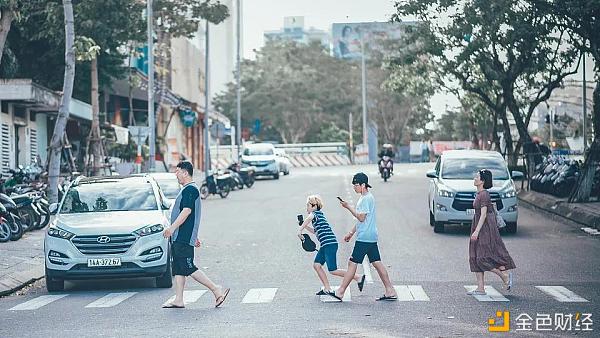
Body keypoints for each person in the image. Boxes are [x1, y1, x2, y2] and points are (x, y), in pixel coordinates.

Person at [162, 160, 230, 308]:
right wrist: (194, 235)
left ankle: (216, 289)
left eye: (178, 171)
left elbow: (187, 212)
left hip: (181, 236)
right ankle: (178, 299)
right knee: (179, 268)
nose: (176, 174)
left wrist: (172, 228)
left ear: (185, 172)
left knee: (188, 266)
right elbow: (192, 217)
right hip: (182, 236)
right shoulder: (188, 189)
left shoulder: (190, 190)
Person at [331, 173, 398, 301]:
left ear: (363, 185)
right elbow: (363, 220)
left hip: (364, 237)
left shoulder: (366, 199)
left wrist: (348, 207)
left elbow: (361, 217)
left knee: (352, 263)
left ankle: (340, 292)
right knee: (377, 263)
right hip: (370, 235)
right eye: (353, 185)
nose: (354, 188)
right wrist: (351, 233)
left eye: (356, 185)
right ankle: (390, 290)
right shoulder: (367, 197)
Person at [298, 195, 366, 296]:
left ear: (313, 206)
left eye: (307, 205)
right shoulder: (319, 216)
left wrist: (300, 230)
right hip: (326, 245)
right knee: (317, 265)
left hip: (329, 245)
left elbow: (307, 220)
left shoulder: (314, 214)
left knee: (333, 270)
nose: (306, 208)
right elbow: (315, 231)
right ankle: (327, 288)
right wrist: (304, 226)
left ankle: (357, 277)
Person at [468, 169, 516, 296]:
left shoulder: (484, 195)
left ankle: (504, 276)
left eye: (477, 177)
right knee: (476, 256)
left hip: (484, 229)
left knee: (482, 258)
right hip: (479, 226)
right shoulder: (479, 194)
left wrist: (477, 231)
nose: (475, 178)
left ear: (482, 181)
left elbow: (483, 214)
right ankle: (480, 288)